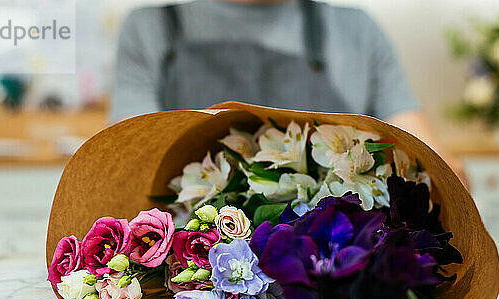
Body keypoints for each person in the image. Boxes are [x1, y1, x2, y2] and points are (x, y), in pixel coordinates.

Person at [110, 0, 466, 181]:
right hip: (197, 276)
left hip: (331, 270)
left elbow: (430, 158)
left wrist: (446, 178)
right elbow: (126, 165)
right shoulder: (150, 30)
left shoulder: (357, 32)